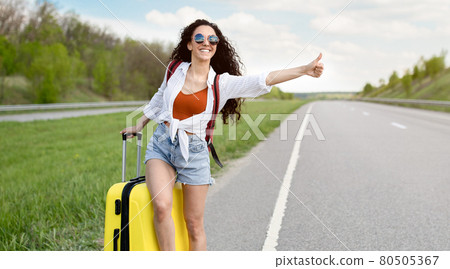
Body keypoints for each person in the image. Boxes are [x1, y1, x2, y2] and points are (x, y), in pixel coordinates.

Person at [120, 19, 324, 251]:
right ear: (189, 44)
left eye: (212, 39)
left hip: (194, 153)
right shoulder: (174, 69)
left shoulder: (222, 83)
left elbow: (263, 79)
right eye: (199, 38)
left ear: (217, 45)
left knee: (194, 224)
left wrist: (304, 70)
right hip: (162, 144)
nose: (206, 43)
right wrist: (140, 124)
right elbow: (160, 96)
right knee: (162, 206)